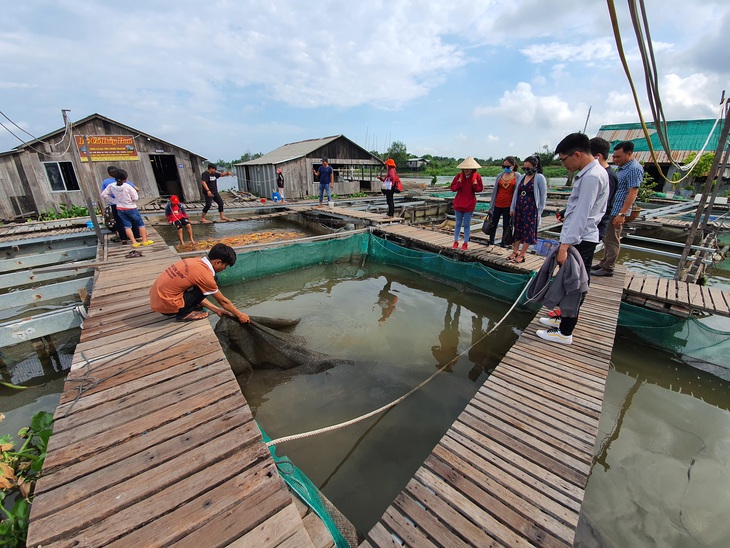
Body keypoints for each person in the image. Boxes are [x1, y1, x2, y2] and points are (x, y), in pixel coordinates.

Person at [536, 132, 609, 345]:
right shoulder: (591, 173)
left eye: (563, 159)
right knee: (569, 281)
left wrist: (564, 246)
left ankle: (565, 332)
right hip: (580, 238)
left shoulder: (593, 176)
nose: (563, 164)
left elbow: (581, 215)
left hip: (580, 240)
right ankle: (561, 320)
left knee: (574, 284)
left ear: (576, 154)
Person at [149, 243, 250, 323]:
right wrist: (240, 315)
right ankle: (184, 314)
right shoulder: (206, 276)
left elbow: (199, 293)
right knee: (213, 280)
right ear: (218, 262)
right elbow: (223, 301)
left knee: (204, 285)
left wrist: (216, 310)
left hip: (157, 300)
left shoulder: (195, 261)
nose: (224, 269)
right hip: (167, 306)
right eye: (225, 266)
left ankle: (185, 307)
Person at [591, 140, 643, 277]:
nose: (615, 159)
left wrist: (622, 213)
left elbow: (633, 193)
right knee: (608, 238)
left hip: (618, 210)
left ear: (629, 154)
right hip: (612, 209)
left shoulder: (634, 169)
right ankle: (604, 262)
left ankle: (608, 268)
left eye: (618, 157)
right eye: (614, 156)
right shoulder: (623, 168)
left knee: (613, 239)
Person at [508, 155, 547, 263]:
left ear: (535, 166)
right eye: (524, 168)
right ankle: (515, 251)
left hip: (531, 209)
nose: (526, 170)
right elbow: (516, 193)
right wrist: (513, 207)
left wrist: (539, 212)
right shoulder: (522, 177)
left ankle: (522, 254)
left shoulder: (539, 178)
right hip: (520, 207)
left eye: (528, 168)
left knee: (528, 231)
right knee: (518, 229)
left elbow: (543, 196)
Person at [100, 169, 152, 248]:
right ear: (125, 178)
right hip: (131, 207)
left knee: (127, 226)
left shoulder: (111, 186)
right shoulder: (128, 186)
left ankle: (134, 242)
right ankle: (144, 241)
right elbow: (135, 197)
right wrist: (131, 201)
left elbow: (103, 194)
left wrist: (114, 200)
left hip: (120, 208)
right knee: (140, 223)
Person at [450, 157, 484, 250]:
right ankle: (456, 241)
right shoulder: (458, 176)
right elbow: (453, 188)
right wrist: (459, 183)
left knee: (466, 224)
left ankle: (465, 243)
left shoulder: (477, 177)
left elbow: (479, 189)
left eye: (468, 168)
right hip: (458, 203)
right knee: (458, 223)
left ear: (472, 169)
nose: (466, 170)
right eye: (464, 168)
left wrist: (475, 184)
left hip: (469, 204)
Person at [101, 166, 140, 242]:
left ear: (109, 173)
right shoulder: (124, 182)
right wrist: (131, 198)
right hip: (127, 204)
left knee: (119, 221)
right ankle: (137, 236)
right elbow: (137, 189)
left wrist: (113, 200)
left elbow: (103, 194)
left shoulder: (106, 182)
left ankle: (123, 238)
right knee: (132, 220)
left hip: (115, 204)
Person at [488, 156, 519, 246]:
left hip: (508, 205)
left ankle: (503, 242)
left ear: (513, 166)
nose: (506, 168)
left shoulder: (517, 176)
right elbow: (495, 191)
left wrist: (514, 207)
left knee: (506, 225)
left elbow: (517, 191)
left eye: (508, 167)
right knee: (493, 223)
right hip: (498, 203)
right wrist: (491, 206)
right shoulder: (500, 176)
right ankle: (491, 241)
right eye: (504, 166)